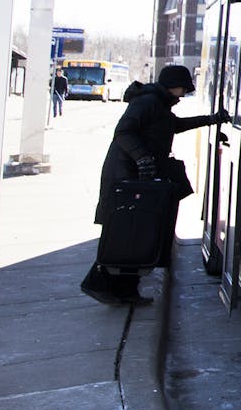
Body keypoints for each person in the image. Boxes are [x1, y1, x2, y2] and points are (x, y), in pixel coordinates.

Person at [80, 64, 227, 305]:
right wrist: (142, 158)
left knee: (137, 233)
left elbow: (174, 126)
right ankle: (100, 283)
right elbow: (124, 132)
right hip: (126, 176)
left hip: (135, 175)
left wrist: (210, 120)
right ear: (173, 85)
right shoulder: (148, 102)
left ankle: (125, 290)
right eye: (182, 88)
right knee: (127, 234)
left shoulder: (158, 103)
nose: (183, 93)